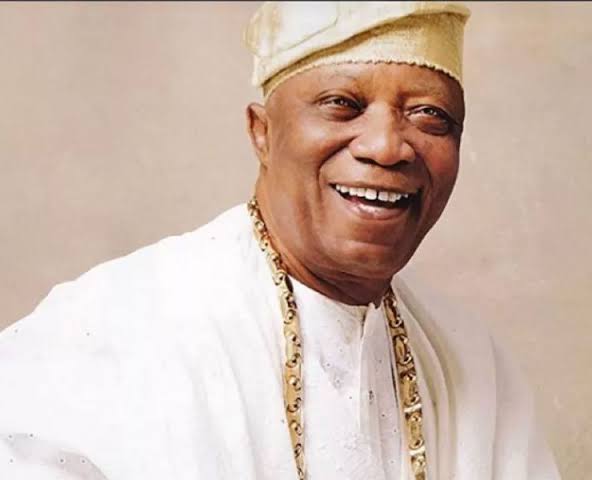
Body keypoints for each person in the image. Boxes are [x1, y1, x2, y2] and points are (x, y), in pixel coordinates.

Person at [0, 2, 561, 479]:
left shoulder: (472, 362)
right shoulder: (112, 327)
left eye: (430, 116)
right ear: (262, 133)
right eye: (343, 104)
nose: (387, 147)